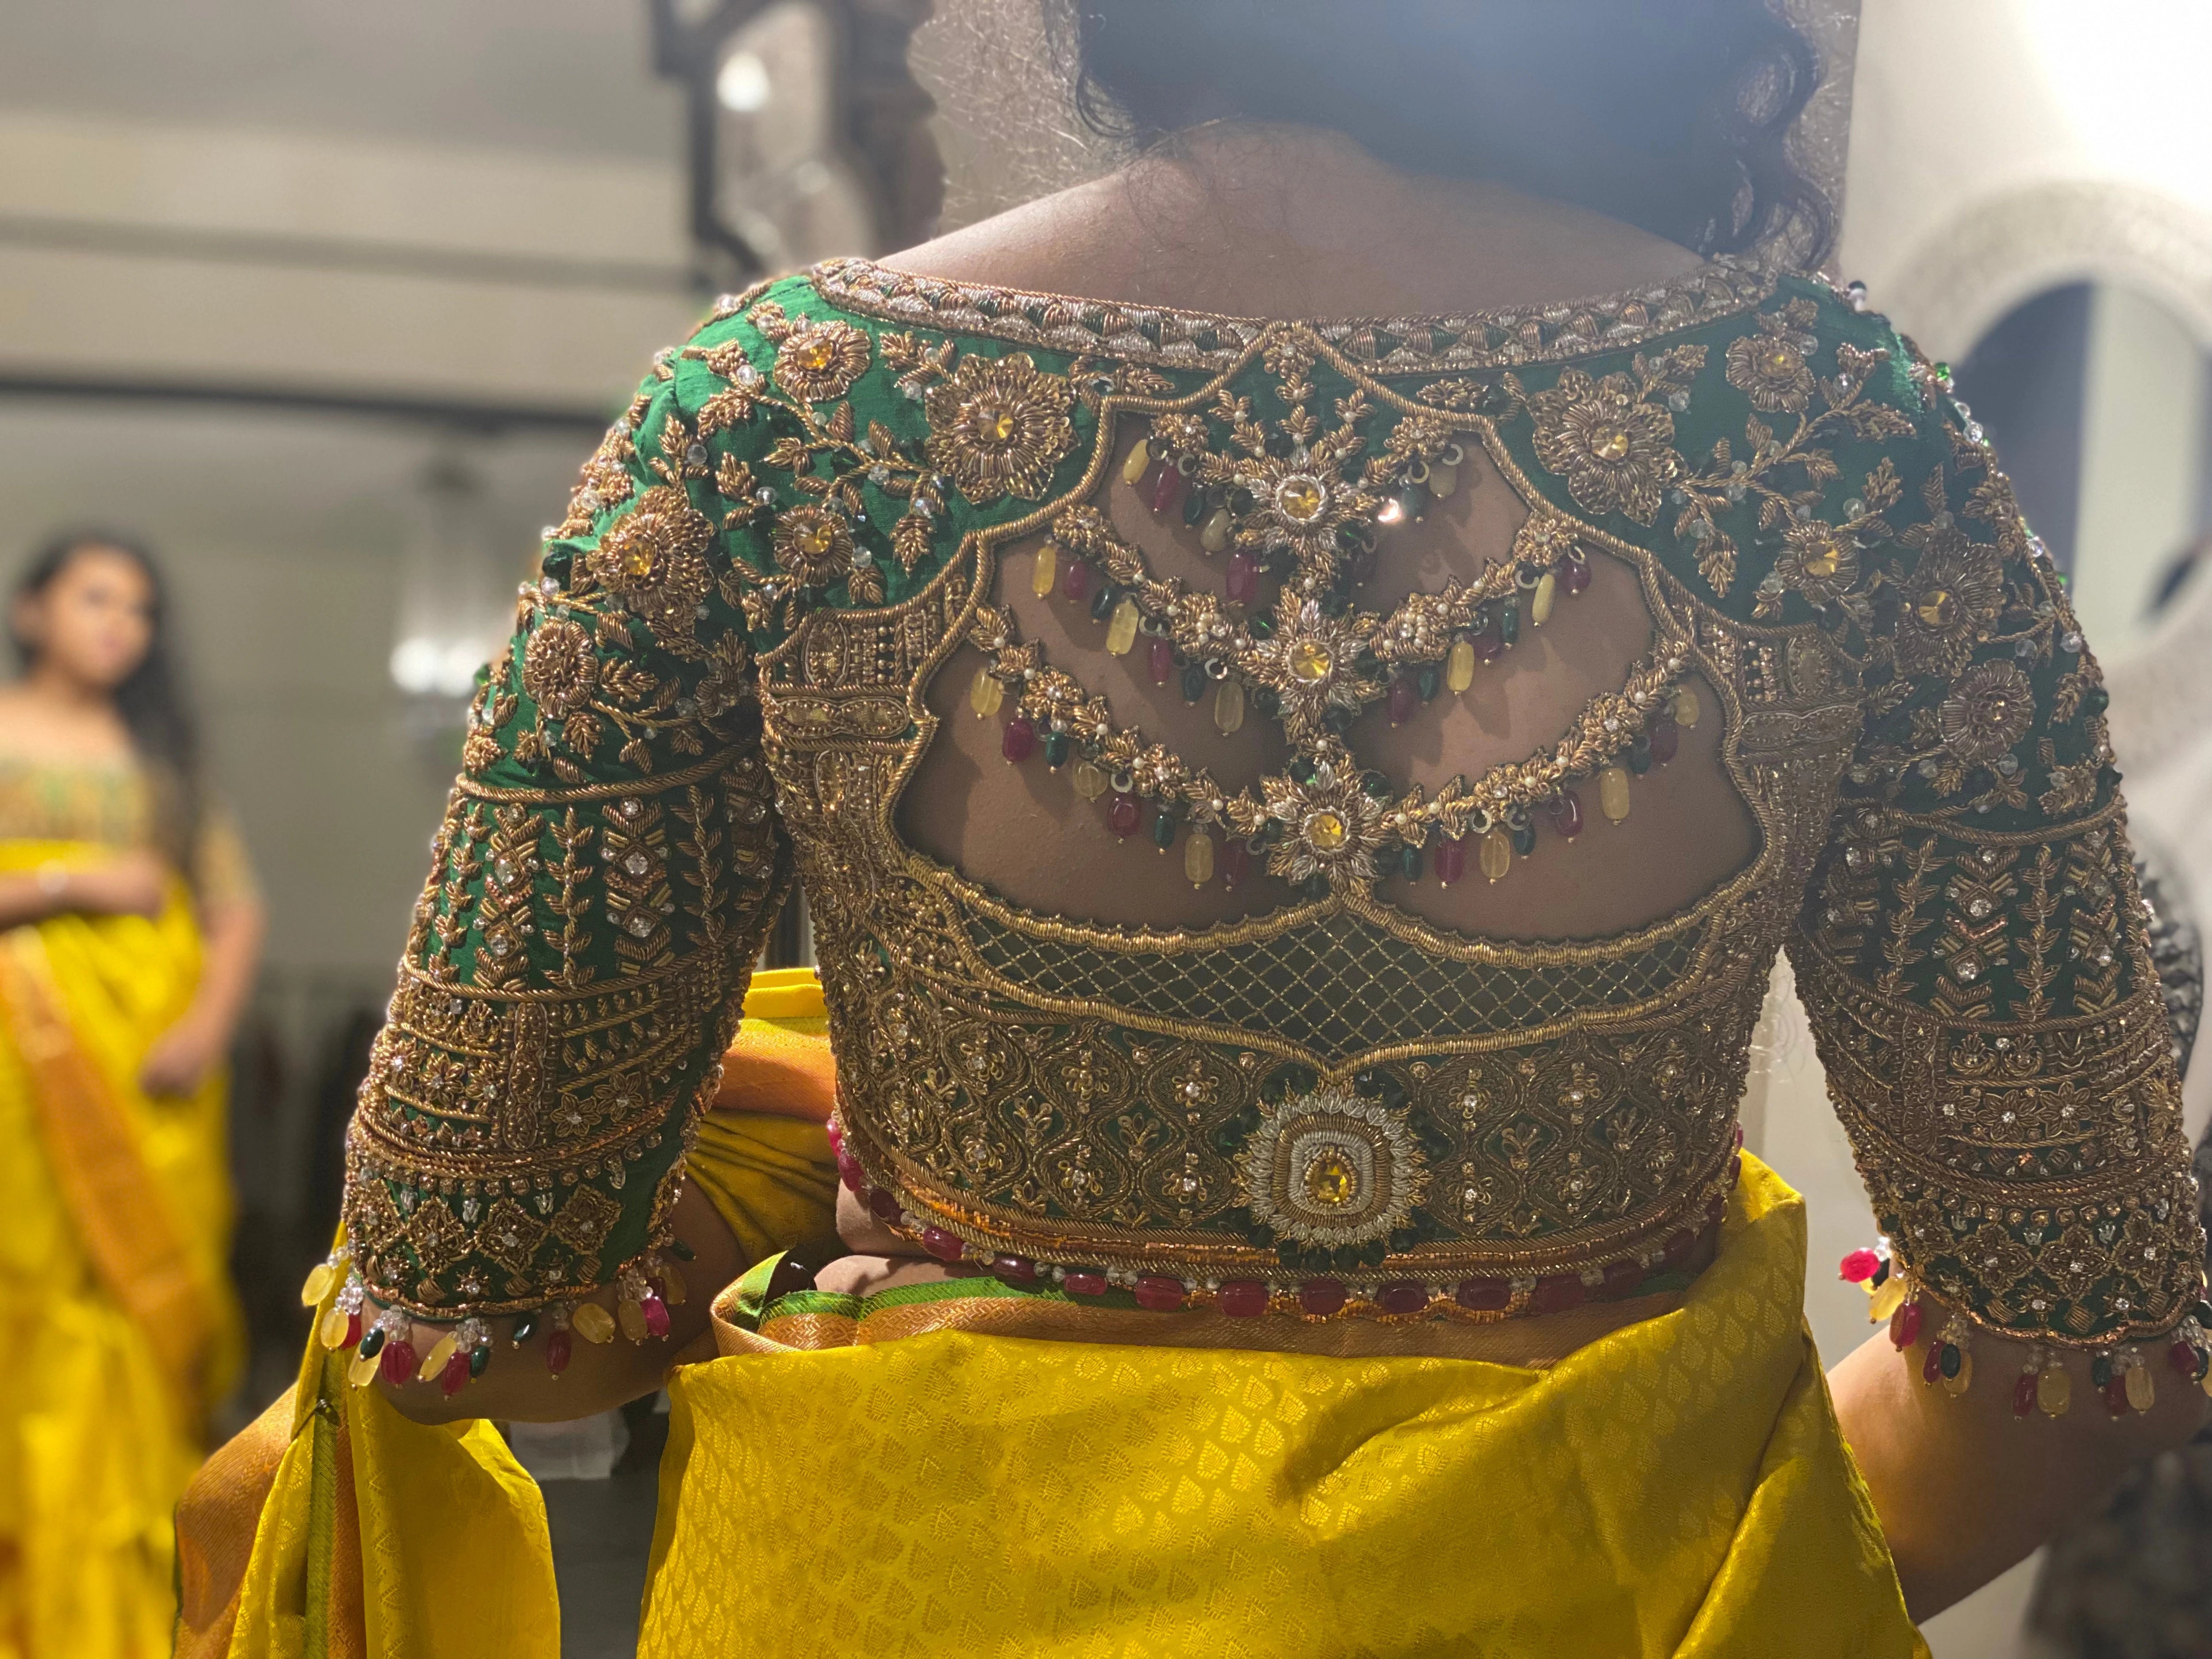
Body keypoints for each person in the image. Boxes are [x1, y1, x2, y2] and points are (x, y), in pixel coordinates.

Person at [182, 4, 2209, 1655]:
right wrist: (1682, 1548)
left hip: (903, 1596)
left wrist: (775, 1167)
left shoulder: (778, 416)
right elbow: (2082, 1336)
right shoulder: (1841, 440)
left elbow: (459, 1289)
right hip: (1616, 1590)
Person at [0, 531, 258, 1657]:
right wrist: (71, 883)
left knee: (139, 1301)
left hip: (147, 1077)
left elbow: (232, 910)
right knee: (33, 1294)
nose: (121, 624)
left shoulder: (159, 759)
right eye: (95, 598)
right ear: (28, 614)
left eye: (141, 609)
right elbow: (118, 882)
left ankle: (131, 1598)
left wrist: (202, 1029)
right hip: (20, 1070)